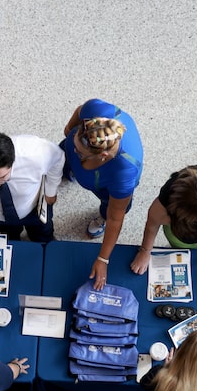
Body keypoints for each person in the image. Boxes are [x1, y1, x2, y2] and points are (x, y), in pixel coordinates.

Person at [62, 98, 143, 290]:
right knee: (67, 156)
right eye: (75, 142)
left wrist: (102, 259)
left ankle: (100, 218)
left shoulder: (123, 173)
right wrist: (69, 130)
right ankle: (70, 170)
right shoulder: (97, 111)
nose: (75, 150)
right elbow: (81, 109)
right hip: (87, 160)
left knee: (109, 208)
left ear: (103, 156)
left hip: (104, 185)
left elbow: (116, 218)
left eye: (80, 153)